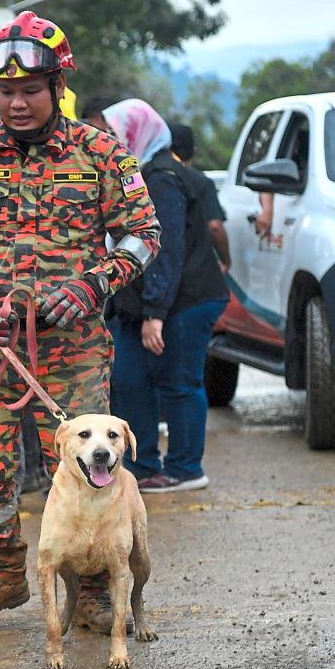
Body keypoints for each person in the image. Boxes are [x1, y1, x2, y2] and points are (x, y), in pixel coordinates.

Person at [0, 11, 160, 633]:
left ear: (57, 85)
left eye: (30, 90)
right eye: (5, 91)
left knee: (93, 469)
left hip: (76, 346)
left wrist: (93, 285)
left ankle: (89, 588)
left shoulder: (99, 152)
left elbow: (143, 235)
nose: (17, 102)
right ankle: (1, 575)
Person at [104, 103, 228, 493]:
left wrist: (154, 313)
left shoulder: (161, 178)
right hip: (146, 303)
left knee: (179, 382)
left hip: (185, 301)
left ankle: (185, 468)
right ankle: (142, 468)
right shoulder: (136, 174)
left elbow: (165, 249)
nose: (108, 140)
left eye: (114, 132)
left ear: (137, 133)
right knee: (131, 380)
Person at [169, 123, 230, 273]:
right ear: (193, 151)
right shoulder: (201, 182)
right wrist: (226, 261)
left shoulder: (152, 177)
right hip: (196, 274)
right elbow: (214, 226)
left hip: (164, 270)